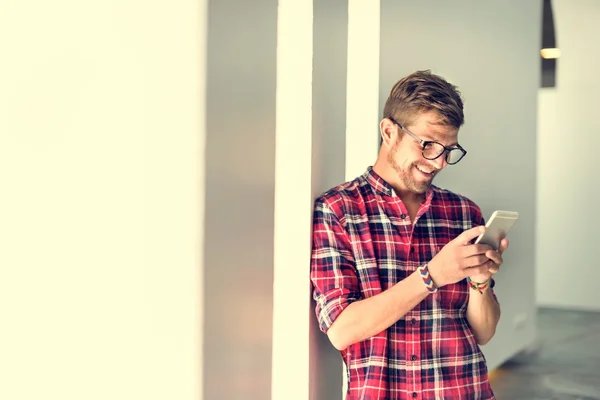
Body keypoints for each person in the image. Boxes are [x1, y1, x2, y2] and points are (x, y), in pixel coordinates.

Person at [309, 70, 508, 399]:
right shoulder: (338, 211)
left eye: (448, 149)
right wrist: (432, 275)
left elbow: (484, 332)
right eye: (428, 144)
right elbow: (342, 330)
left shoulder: (464, 213)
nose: (439, 162)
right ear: (389, 132)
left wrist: (479, 281)